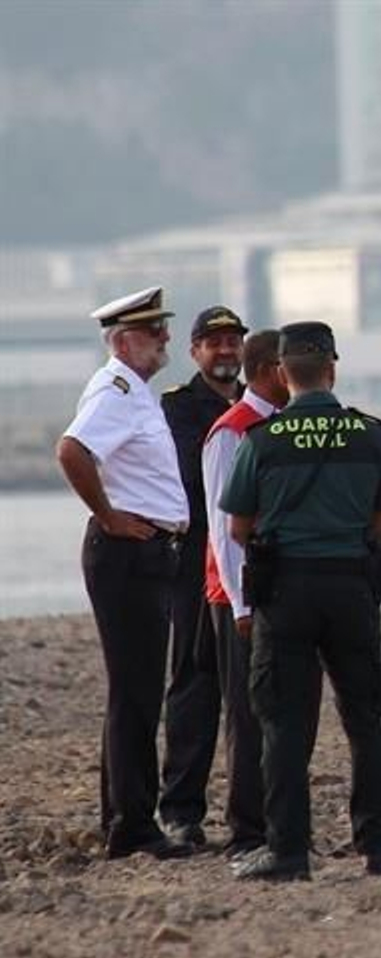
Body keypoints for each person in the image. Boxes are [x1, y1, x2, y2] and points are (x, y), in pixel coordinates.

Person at [220, 321, 381, 881]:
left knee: (284, 724)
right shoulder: (369, 434)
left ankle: (289, 851)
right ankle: (378, 846)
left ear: (282, 372)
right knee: (364, 718)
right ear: (332, 368)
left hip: (285, 591)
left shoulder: (263, 440)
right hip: (351, 585)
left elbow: (237, 527)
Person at [57, 286, 196, 860]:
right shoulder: (115, 389)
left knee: (134, 692)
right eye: (154, 330)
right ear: (122, 340)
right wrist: (108, 515)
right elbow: (72, 451)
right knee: (136, 694)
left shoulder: (135, 392)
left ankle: (124, 814)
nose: (165, 338)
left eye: (164, 328)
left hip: (148, 553)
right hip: (129, 554)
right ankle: (133, 825)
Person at [200, 328, 291, 857]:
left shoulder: (280, 428)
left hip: (281, 588)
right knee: (247, 711)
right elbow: (221, 525)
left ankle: (278, 822)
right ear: (270, 369)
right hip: (239, 594)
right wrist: (241, 601)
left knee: (281, 707)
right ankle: (248, 829)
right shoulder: (232, 432)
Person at [157, 305, 245, 847]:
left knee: (248, 690)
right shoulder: (179, 409)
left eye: (233, 341)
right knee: (194, 682)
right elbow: (195, 476)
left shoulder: (259, 407)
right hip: (194, 560)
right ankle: (181, 810)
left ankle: (249, 814)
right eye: (214, 343)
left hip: (248, 560)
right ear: (195, 352)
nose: (225, 351)